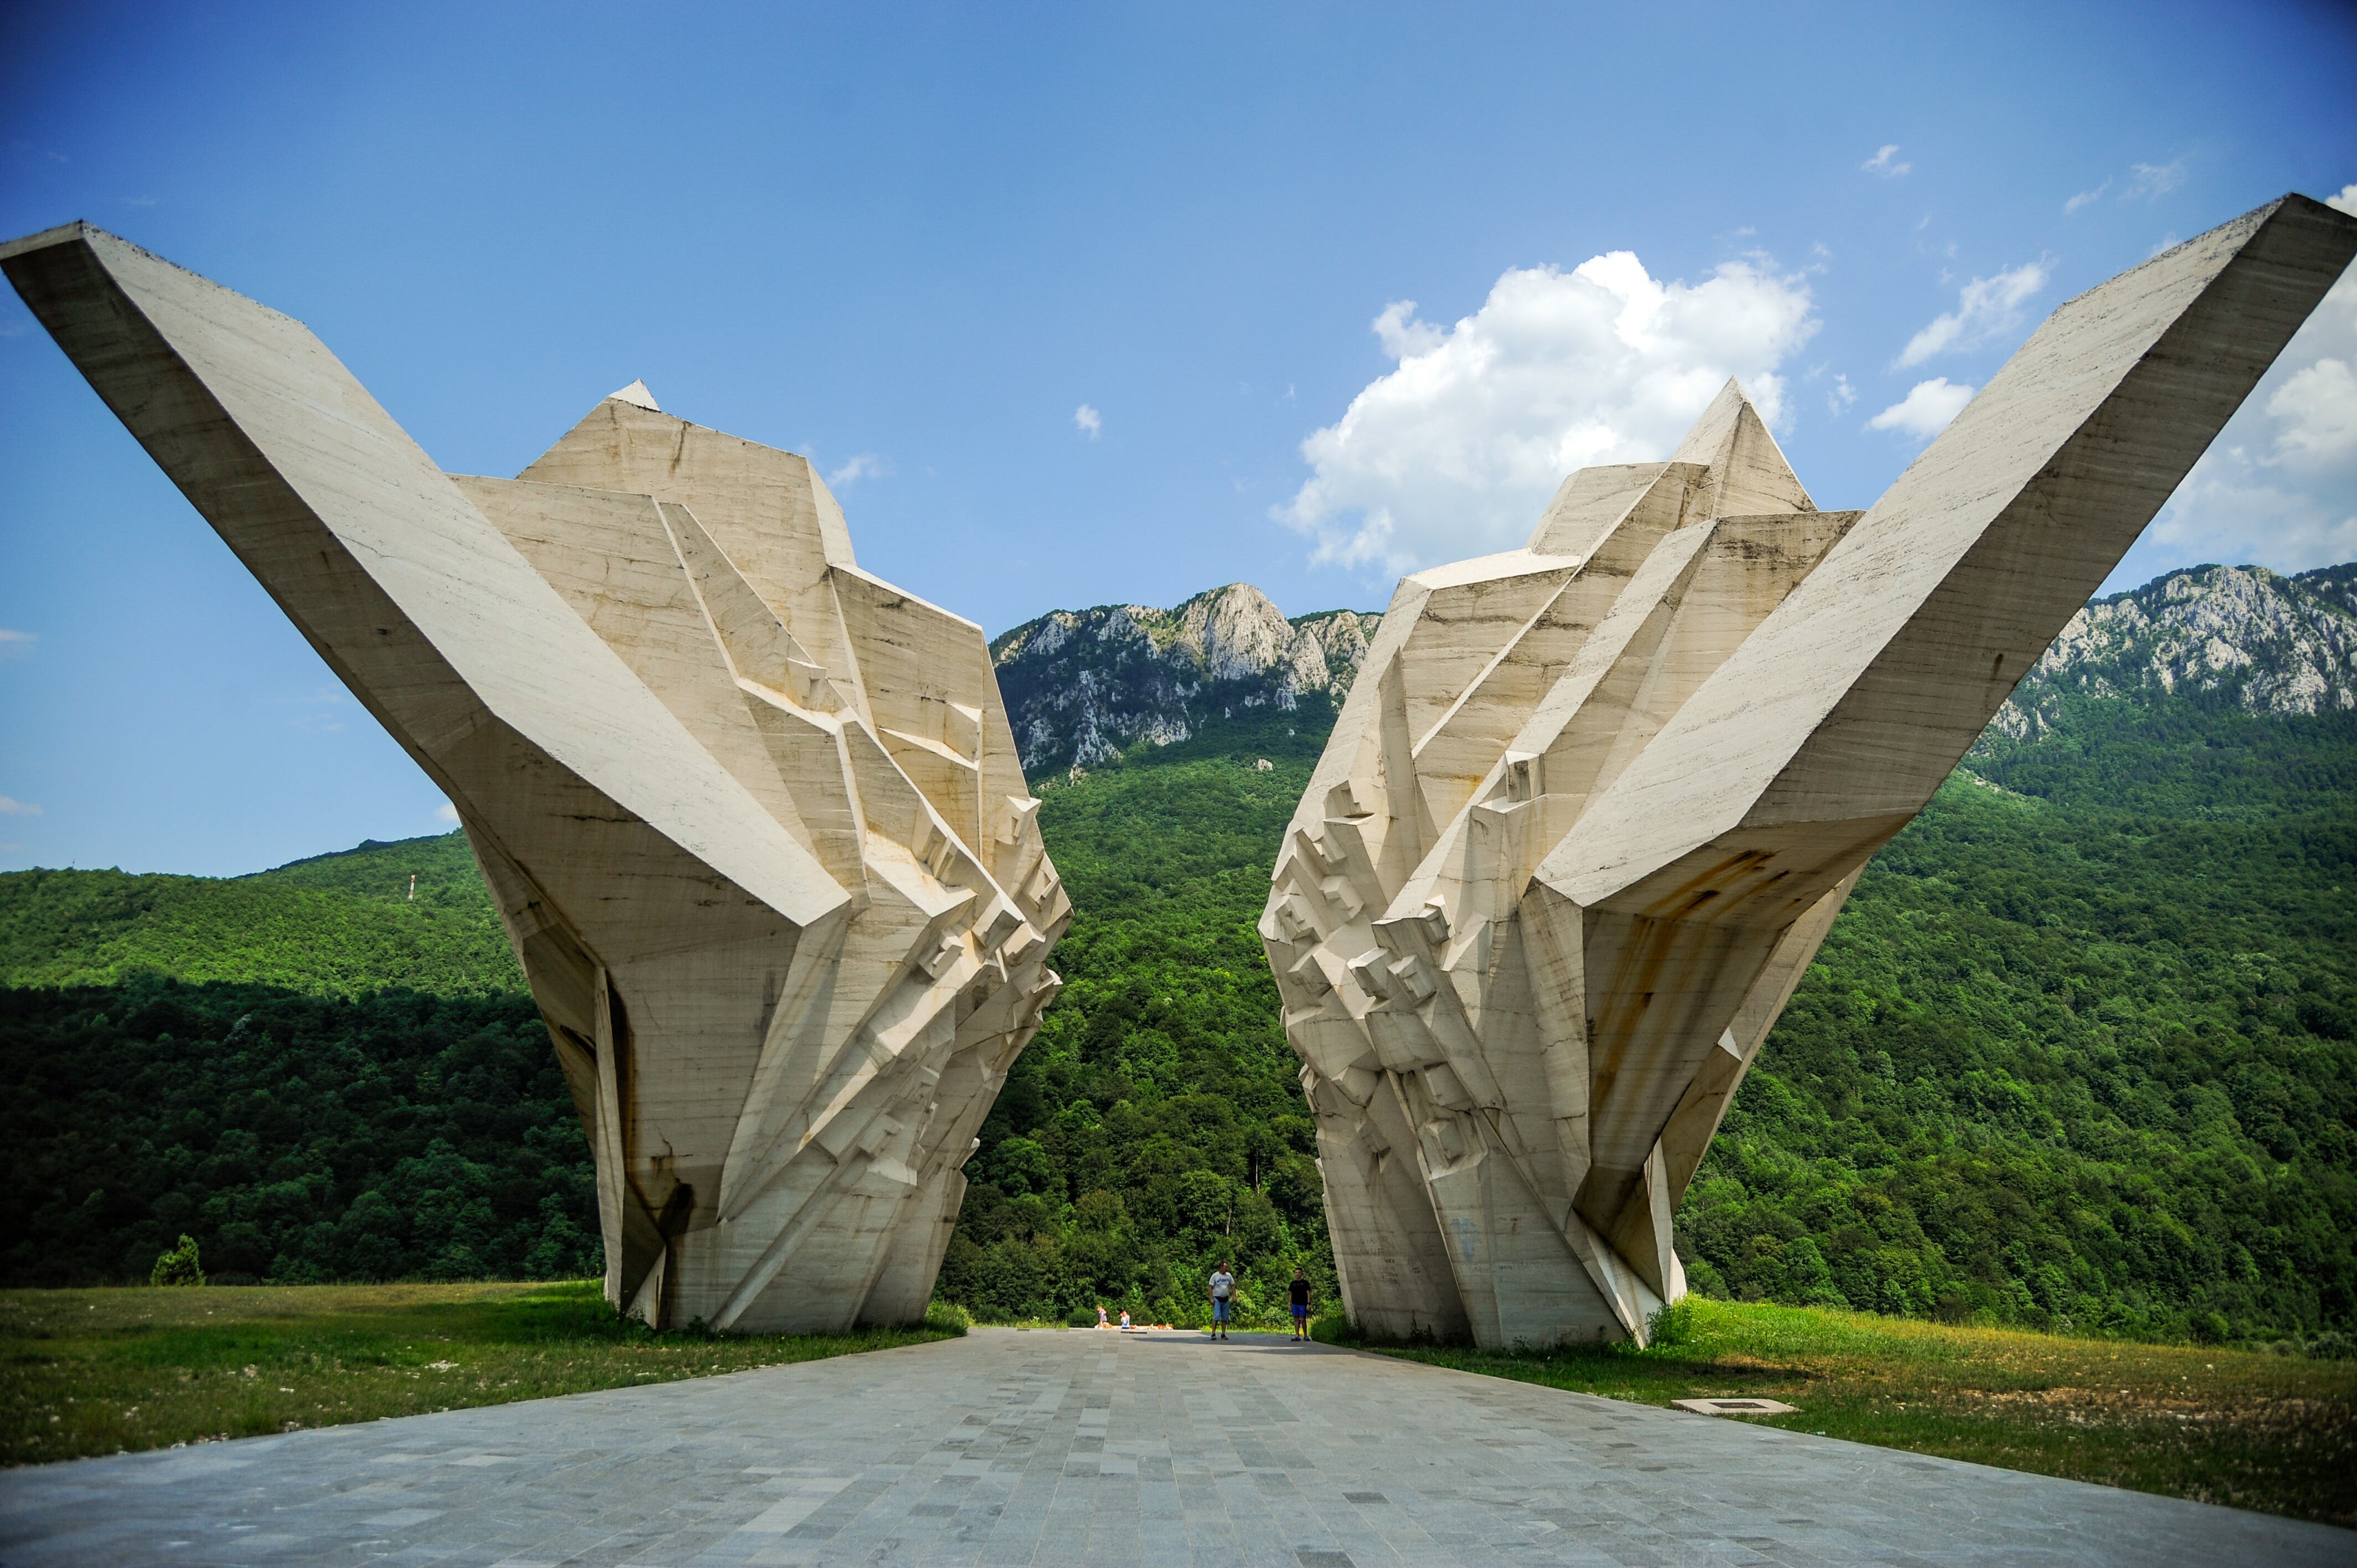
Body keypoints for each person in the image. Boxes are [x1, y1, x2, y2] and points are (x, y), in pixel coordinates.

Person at [1208, 1261, 1237, 1340]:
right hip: (1217, 1298)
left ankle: (1223, 1333)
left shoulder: (1229, 1276)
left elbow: (1233, 1286)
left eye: (1228, 1267)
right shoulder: (1215, 1276)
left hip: (1226, 1298)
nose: (1227, 1269)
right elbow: (1210, 1287)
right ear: (1221, 1267)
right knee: (1216, 1317)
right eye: (1226, 1267)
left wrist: (1234, 1296)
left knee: (1225, 1318)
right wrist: (1211, 1298)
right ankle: (1213, 1333)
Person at [1289, 1267, 1312, 1341]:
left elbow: (1308, 1293)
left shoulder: (1305, 1283)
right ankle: (1297, 1335)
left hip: (1303, 1304)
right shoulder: (1293, 1284)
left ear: (1302, 1274)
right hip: (1295, 1304)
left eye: (1299, 1272)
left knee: (1303, 1319)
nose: (1297, 1274)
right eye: (1296, 1272)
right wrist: (1289, 1304)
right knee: (1296, 1318)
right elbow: (1290, 1294)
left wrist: (1309, 1303)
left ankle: (1305, 1335)